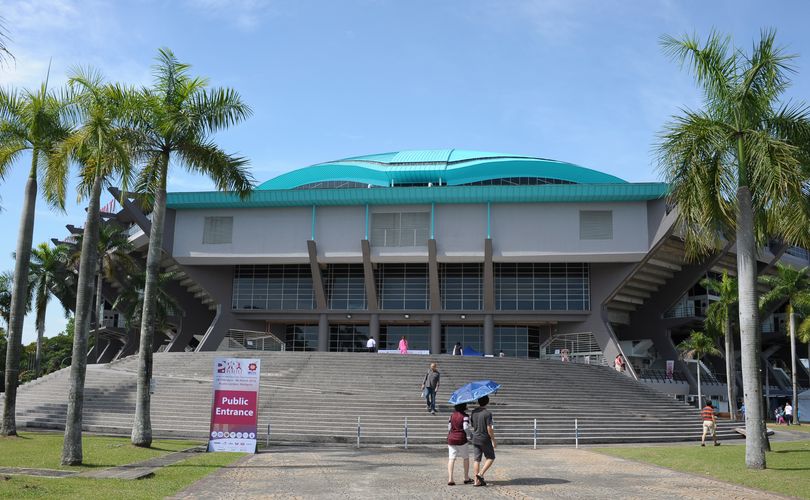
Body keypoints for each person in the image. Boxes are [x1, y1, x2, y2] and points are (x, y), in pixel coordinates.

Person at [470, 395, 496, 486]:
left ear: (478, 402)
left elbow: (472, 425)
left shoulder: (473, 412)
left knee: (477, 459)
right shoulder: (488, 413)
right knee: (491, 457)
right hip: (484, 438)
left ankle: (476, 481)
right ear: (487, 402)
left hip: (475, 437)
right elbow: (489, 428)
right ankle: (480, 474)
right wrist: (493, 439)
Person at [447, 403, 473, 486]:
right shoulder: (465, 416)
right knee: (465, 458)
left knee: (451, 458)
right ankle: (466, 478)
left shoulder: (451, 415)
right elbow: (465, 427)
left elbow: (449, 427)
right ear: (464, 407)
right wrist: (470, 434)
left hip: (451, 438)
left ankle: (450, 479)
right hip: (461, 438)